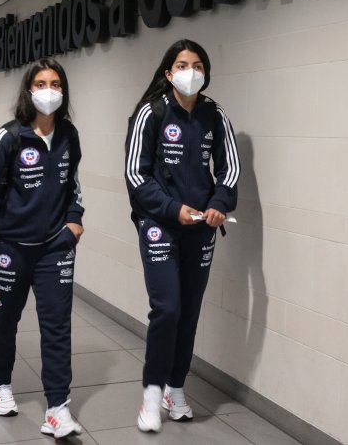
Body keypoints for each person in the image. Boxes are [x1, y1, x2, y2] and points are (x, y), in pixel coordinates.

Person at [124, 39, 241, 432]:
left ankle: (176, 388)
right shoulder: (151, 113)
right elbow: (136, 176)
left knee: (189, 311)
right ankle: (152, 395)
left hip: (201, 229)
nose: (190, 71)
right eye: (182, 64)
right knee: (168, 308)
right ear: (168, 72)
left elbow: (229, 172)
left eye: (197, 64)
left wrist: (219, 203)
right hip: (160, 224)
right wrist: (174, 209)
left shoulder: (215, 114)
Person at [0, 58, 85, 438]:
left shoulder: (69, 134)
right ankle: (0, 382)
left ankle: (57, 407)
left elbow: (73, 186)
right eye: (40, 83)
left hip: (55, 248)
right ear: (28, 91)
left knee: (57, 325)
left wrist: (75, 220)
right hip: (10, 250)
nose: (48, 90)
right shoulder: (8, 137)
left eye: (54, 83)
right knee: (5, 320)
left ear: (63, 91)